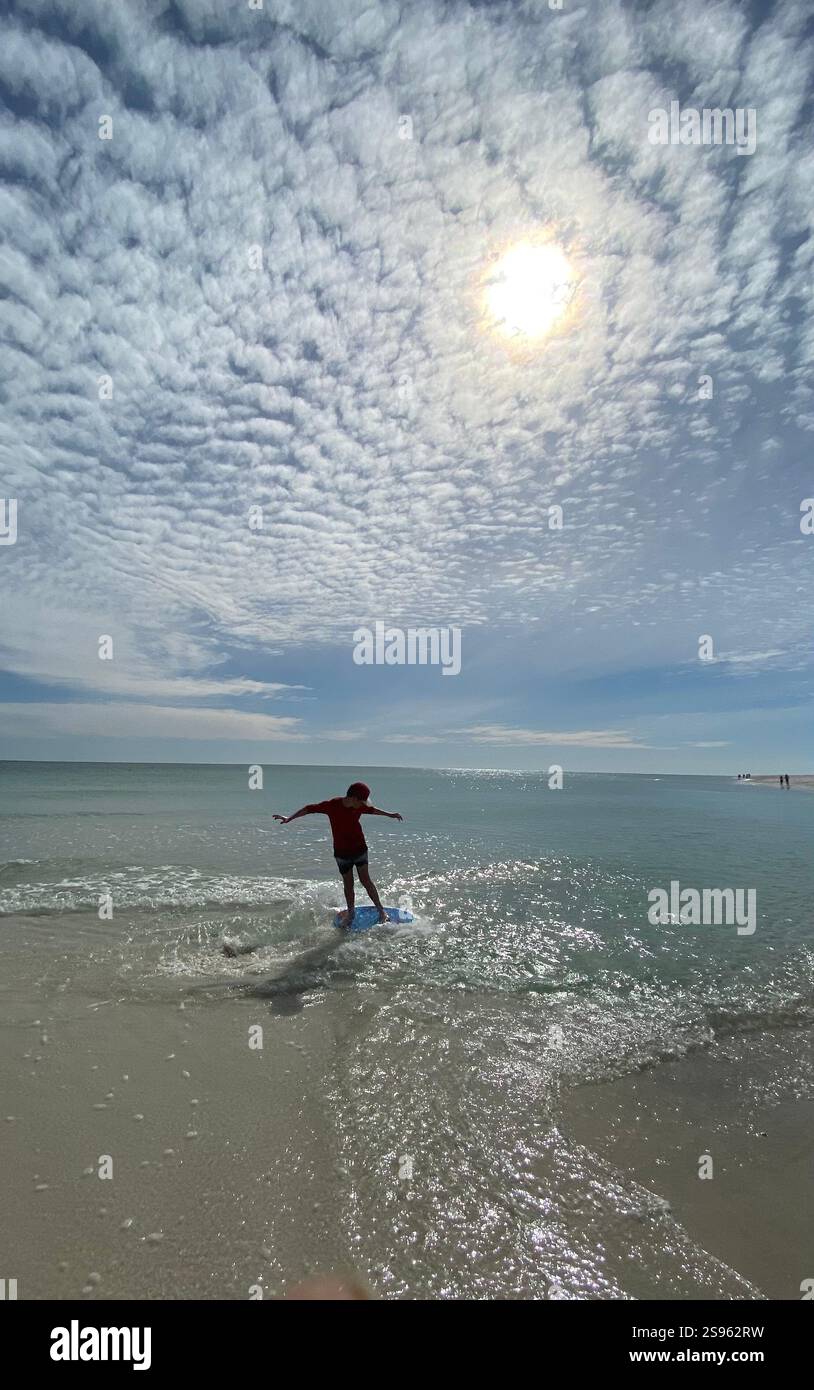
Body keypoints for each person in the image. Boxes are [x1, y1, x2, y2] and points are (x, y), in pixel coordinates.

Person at [274, 782, 403, 927]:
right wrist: (289, 818)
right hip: (342, 853)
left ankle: (381, 911)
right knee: (348, 884)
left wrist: (390, 815)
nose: (362, 805)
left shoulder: (359, 806)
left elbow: (372, 810)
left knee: (366, 881)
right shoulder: (332, 805)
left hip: (360, 849)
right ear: (353, 798)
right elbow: (309, 809)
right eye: (361, 801)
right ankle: (351, 913)